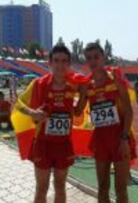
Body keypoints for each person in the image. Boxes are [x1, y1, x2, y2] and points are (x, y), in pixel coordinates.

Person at [15, 45, 87, 203]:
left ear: (69, 64)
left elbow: (78, 112)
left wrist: (83, 95)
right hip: (43, 143)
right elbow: (18, 104)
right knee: (42, 187)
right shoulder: (38, 84)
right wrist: (32, 113)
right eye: (56, 61)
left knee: (60, 186)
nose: (60, 65)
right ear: (50, 63)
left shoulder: (74, 84)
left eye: (64, 61)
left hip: (64, 144)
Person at [83, 43, 137, 203]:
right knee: (102, 188)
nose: (93, 61)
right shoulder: (87, 84)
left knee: (121, 189)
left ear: (103, 57)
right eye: (89, 58)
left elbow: (129, 111)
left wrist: (124, 139)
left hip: (120, 138)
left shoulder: (115, 78)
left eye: (96, 57)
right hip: (100, 139)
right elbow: (78, 111)